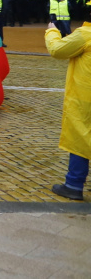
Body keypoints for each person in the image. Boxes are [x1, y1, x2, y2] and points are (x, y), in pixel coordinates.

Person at [45, 17, 91, 200]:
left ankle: (74, 184)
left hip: (85, 97)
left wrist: (51, 31)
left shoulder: (85, 34)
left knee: (80, 136)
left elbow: (57, 50)